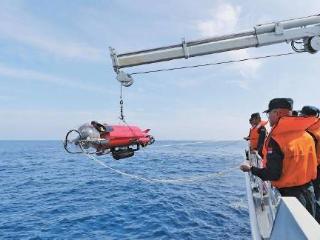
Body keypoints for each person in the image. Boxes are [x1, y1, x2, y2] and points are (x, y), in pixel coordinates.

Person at [240, 98, 318, 216]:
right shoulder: (307, 135)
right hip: (309, 193)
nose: (268, 117)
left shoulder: (277, 140)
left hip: (290, 199)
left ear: (276, 113)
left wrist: (250, 169)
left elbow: (272, 174)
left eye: (269, 113)